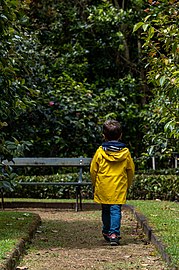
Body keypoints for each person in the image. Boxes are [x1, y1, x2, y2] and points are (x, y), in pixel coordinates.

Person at [90, 119, 135, 246]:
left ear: (104, 136)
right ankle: (114, 233)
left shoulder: (100, 151)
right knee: (115, 210)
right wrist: (128, 184)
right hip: (118, 186)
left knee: (105, 209)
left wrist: (95, 183)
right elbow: (130, 170)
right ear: (120, 135)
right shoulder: (125, 153)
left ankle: (106, 231)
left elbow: (93, 169)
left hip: (103, 185)